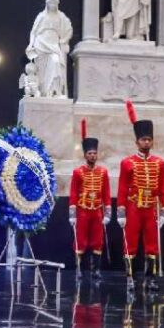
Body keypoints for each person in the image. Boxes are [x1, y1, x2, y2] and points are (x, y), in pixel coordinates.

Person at [117, 101, 164, 292]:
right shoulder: (127, 163)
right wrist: (121, 212)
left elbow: (163, 187)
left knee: (152, 245)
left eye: (149, 139)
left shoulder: (160, 163)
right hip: (133, 207)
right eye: (143, 139)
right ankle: (130, 277)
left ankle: (150, 278)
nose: (146, 142)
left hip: (151, 208)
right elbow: (122, 188)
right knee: (130, 243)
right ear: (137, 142)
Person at [69, 119, 111, 281]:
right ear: (85, 155)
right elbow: (73, 193)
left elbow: (106, 193)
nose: (92, 155)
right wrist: (72, 214)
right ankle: (79, 269)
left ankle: (96, 270)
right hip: (83, 211)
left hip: (97, 212)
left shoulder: (103, 172)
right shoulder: (78, 172)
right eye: (90, 153)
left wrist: (107, 213)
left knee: (97, 241)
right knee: (81, 240)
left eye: (94, 153)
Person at [25, 0, 73, 97]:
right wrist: (31, 44)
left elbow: (69, 29)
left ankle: (55, 91)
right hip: (41, 43)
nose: (52, 5)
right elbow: (33, 32)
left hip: (54, 45)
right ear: (47, 4)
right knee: (41, 72)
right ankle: (44, 93)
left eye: (55, 3)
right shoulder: (41, 16)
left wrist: (64, 40)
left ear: (57, 4)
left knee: (56, 62)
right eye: (50, 3)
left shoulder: (61, 16)